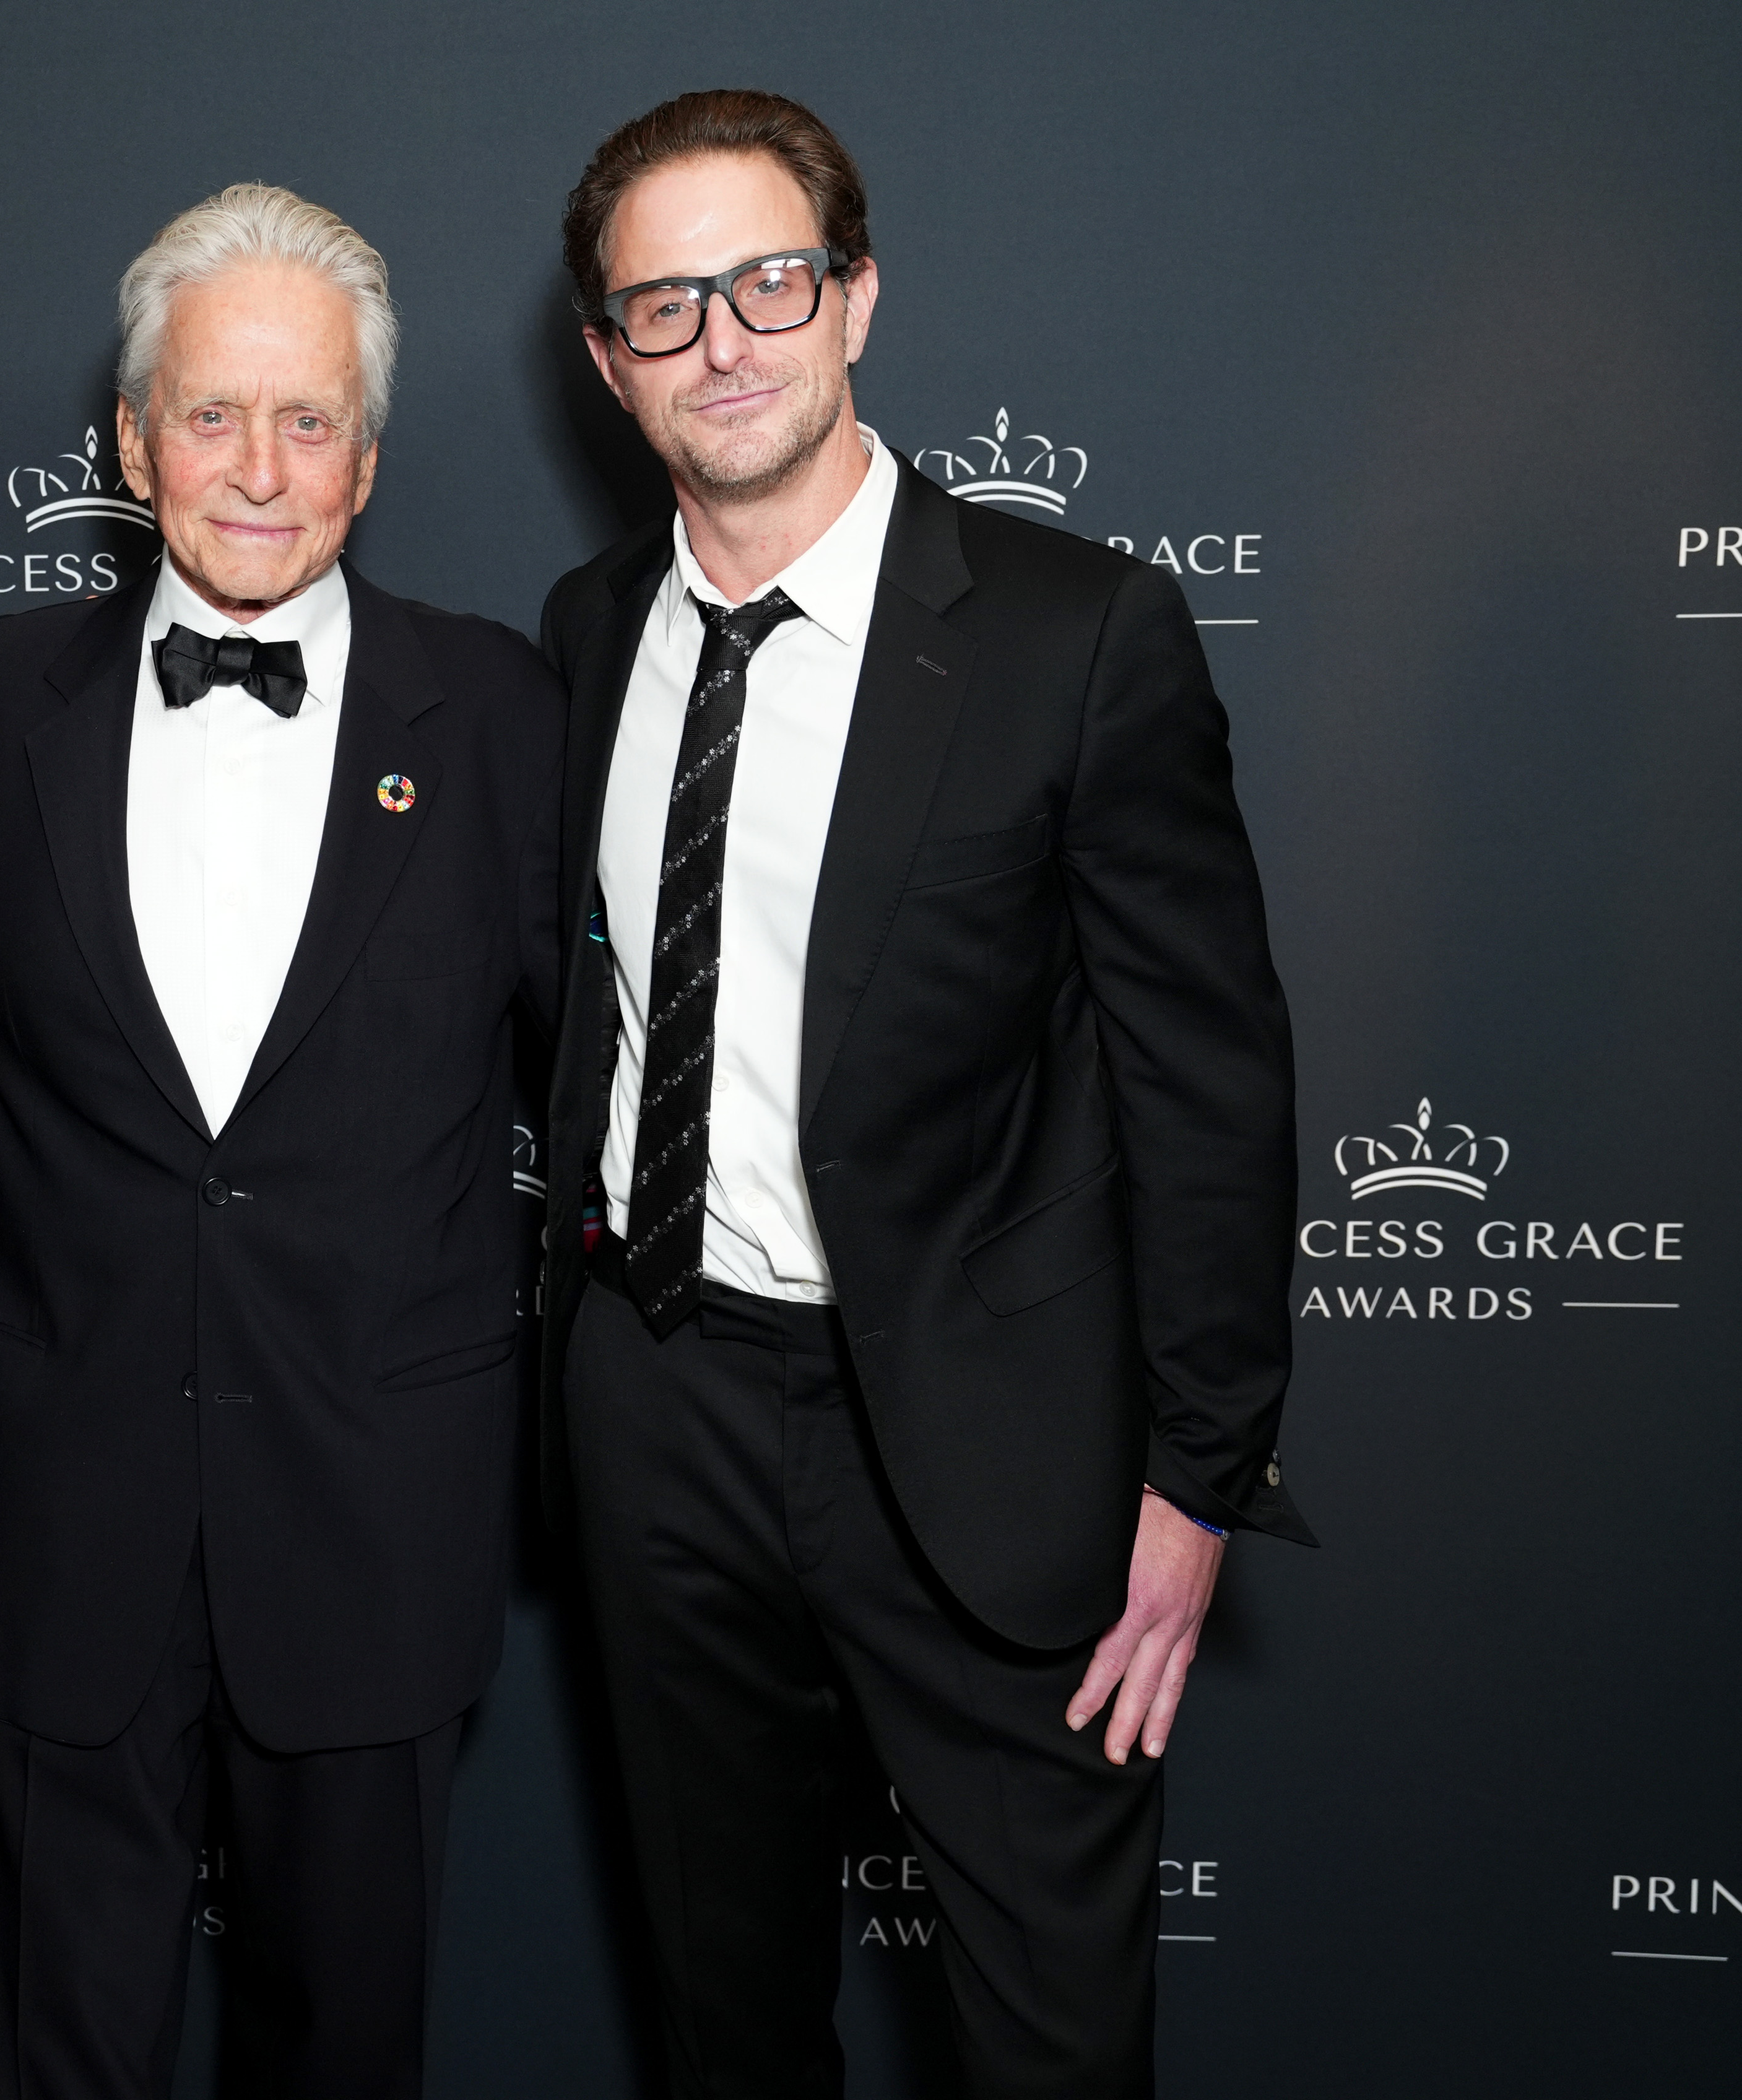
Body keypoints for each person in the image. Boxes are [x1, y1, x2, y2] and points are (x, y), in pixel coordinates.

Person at [537, 89, 1312, 2096]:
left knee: (1048, 2041)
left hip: (987, 1437)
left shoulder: (1078, 635)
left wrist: (1199, 1471)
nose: (727, 337)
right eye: (667, 302)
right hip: (657, 1402)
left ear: (858, 298)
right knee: (727, 2012)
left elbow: (1208, 1079)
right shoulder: (587, 630)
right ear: (610, 363)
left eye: (772, 280)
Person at [0, 184, 561, 2100]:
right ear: (131, 442)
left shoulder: (513, 711)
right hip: (59, 1520)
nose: (258, 470)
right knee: (56, 2058)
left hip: (378, 1519)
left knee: (346, 2057)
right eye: (211, 416)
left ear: (366, 457)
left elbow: (612, 1092)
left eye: (308, 423)